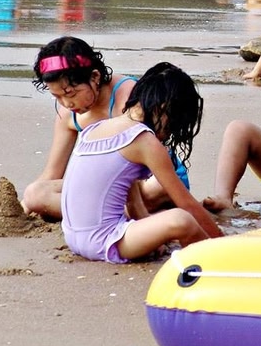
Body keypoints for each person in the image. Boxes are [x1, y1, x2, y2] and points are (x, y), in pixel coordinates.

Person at [60, 62, 222, 263]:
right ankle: (214, 260)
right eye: (172, 127)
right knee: (181, 220)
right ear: (163, 110)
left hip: (73, 238)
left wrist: (152, 237)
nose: (167, 135)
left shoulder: (97, 128)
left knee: (170, 220)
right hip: (105, 241)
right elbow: (187, 204)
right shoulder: (144, 140)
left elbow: (133, 202)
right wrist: (223, 241)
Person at [25, 37, 140, 218]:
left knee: (152, 189)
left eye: (70, 93)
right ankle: (110, 214)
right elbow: (53, 173)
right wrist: (21, 209)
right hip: (103, 186)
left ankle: (103, 214)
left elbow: (149, 157)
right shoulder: (68, 114)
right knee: (35, 194)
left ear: (95, 77)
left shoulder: (128, 98)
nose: (67, 103)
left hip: (143, 182)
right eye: (57, 96)